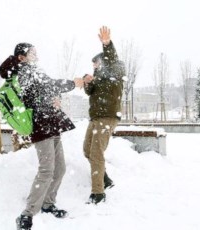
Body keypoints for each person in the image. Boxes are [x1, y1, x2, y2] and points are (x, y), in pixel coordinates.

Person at [0, 43, 84, 230]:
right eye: (32, 52)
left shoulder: (33, 70)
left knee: (60, 168)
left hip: (51, 123)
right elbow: (49, 84)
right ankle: (26, 214)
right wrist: (73, 83)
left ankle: (47, 204)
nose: (36, 54)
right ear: (21, 57)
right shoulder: (24, 71)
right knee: (47, 170)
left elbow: (47, 89)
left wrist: (56, 99)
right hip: (41, 125)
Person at [83, 26, 126, 204]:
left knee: (96, 153)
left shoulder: (115, 71)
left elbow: (111, 58)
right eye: (93, 65)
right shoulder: (98, 78)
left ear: (103, 62)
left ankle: (98, 193)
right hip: (95, 118)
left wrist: (107, 44)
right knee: (87, 150)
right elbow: (89, 92)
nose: (94, 67)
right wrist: (87, 82)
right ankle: (105, 179)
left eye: (96, 64)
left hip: (107, 117)